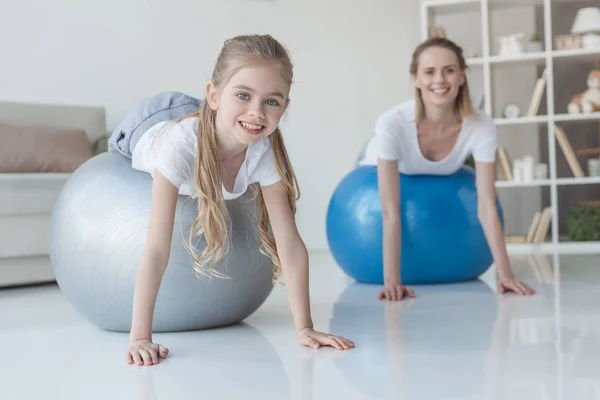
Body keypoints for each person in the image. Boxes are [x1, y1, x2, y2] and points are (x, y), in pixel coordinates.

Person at [121, 34, 354, 367]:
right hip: (150, 120)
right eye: (244, 95)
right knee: (189, 127)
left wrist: (305, 328)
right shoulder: (178, 146)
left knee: (232, 120)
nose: (257, 112)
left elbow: (289, 242)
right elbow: (157, 248)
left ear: (285, 106)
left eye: (272, 101)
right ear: (213, 96)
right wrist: (140, 338)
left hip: (213, 119)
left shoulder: (262, 147)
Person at [358, 37, 536, 302]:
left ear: (462, 76)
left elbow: (487, 202)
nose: (439, 80)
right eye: (429, 72)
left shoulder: (481, 126)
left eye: (449, 70)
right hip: (377, 166)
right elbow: (390, 211)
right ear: (415, 79)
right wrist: (392, 281)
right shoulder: (391, 124)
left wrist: (505, 274)